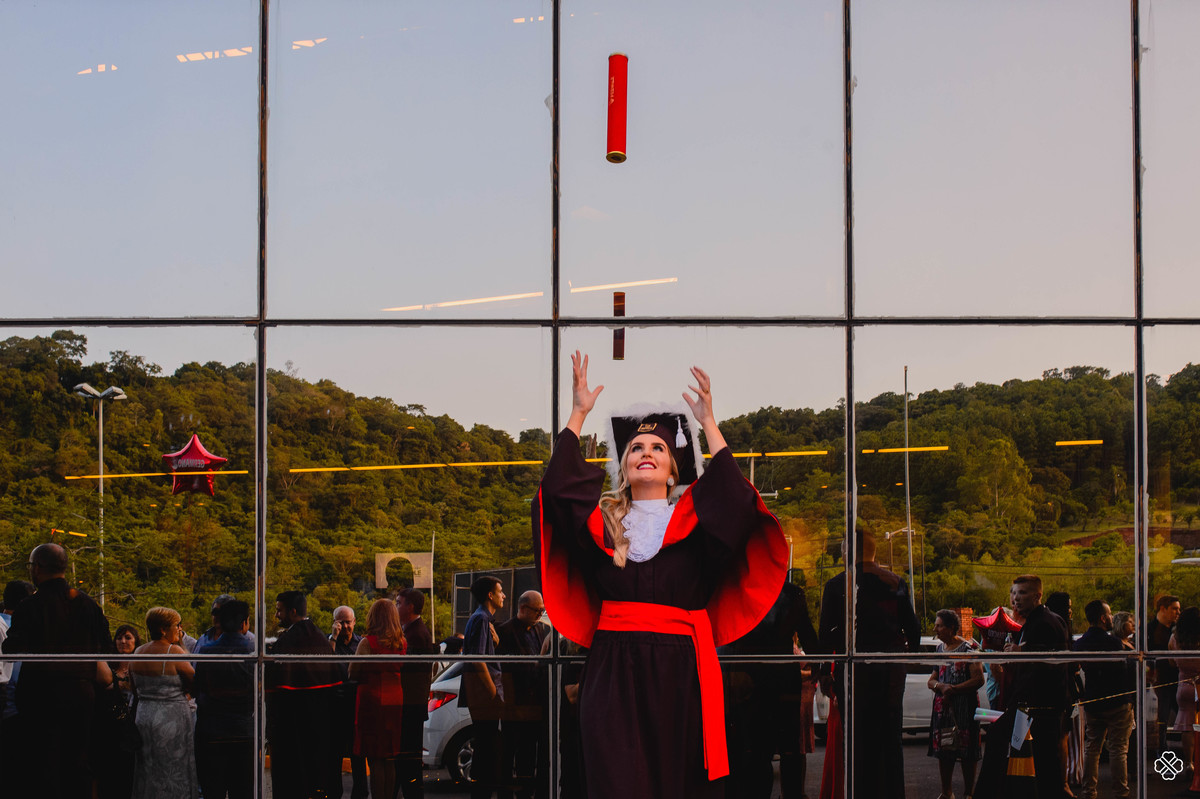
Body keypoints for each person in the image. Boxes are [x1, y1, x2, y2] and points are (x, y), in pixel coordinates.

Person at [533, 353, 788, 798]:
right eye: (635, 448)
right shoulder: (604, 525)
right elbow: (556, 491)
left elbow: (736, 504)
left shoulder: (697, 524)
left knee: (677, 781)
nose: (645, 453)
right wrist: (578, 413)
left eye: (658, 449)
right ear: (625, 468)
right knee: (615, 780)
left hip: (681, 671)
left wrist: (708, 422)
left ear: (674, 470)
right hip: (612, 671)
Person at [2, 543, 113, 799]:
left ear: (37, 568)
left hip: (41, 694)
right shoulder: (87, 604)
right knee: (78, 760)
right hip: (81, 693)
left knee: (43, 763)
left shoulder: (31, 606)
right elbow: (108, 647)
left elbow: (12, 648)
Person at [818, 530, 920, 799]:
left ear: (845, 553)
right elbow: (914, 631)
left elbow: (824, 636)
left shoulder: (838, 585)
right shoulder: (895, 582)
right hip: (889, 675)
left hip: (854, 675)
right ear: (874, 553)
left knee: (855, 744)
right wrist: (901, 657)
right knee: (889, 743)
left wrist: (824, 673)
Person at [266, 590, 344, 799]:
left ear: (292, 612)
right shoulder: (319, 638)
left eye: (279, 611)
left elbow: (275, 687)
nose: (276, 616)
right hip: (321, 725)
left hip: (292, 727)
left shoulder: (287, 642)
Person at [1002, 574, 1073, 799]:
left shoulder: (1044, 622)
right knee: (1034, 766)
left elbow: (1055, 658)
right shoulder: (1036, 620)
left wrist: (1022, 652)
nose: (1016, 599)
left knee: (1042, 767)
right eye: (1013, 593)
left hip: (1041, 708)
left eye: (1022, 593)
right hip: (1037, 707)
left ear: (1037, 595)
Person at [131, 606, 199, 799]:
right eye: (176, 625)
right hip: (171, 720)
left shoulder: (137, 652)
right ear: (163, 629)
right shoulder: (173, 651)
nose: (179, 629)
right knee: (174, 766)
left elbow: (134, 689)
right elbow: (194, 682)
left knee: (148, 767)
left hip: (144, 716)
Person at [194, 599, 254, 799]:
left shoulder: (206, 651)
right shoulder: (253, 652)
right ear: (245, 623)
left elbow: (197, 688)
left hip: (210, 731)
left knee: (212, 791)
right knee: (243, 791)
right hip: (244, 731)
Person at [1074, 600, 1134, 799]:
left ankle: (1089, 792)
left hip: (1093, 702)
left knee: (1092, 748)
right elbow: (1124, 672)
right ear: (1102, 618)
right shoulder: (1114, 643)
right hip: (1118, 701)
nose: (1111, 618)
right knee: (1118, 749)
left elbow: (1075, 670)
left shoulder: (1080, 643)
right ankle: (1121, 793)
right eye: (1109, 614)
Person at [350, 598, 408, 799]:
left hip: (372, 701)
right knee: (390, 757)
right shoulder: (401, 642)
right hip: (395, 700)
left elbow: (352, 672)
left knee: (374, 758)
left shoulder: (368, 643)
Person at [496, 590, 550, 799]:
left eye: (542, 611)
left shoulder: (540, 630)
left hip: (533, 704)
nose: (540, 615)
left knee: (529, 754)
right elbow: (504, 669)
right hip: (514, 703)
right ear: (523, 608)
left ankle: (527, 793)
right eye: (538, 611)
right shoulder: (505, 631)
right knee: (509, 753)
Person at [926, 609, 984, 799]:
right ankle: (947, 792)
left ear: (951, 628)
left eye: (939, 625)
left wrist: (955, 689)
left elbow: (978, 680)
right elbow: (932, 679)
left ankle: (969, 793)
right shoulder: (939, 650)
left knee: (967, 751)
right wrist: (940, 686)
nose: (936, 628)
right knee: (945, 749)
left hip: (965, 708)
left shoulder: (968, 650)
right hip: (943, 709)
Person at [461, 575, 507, 799]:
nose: (503, 595)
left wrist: (495, 644)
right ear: (490, 595)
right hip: (484, 697)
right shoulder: (481, 619)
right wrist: (492, 692)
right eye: (500, 591)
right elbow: (477, 659)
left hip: (482, 697)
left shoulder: (482, 619)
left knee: (486, 747)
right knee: (486, 750)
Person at [396, 587, 435, 799]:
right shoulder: (413, 631)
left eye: (399, 603)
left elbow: (408, 670)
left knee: (408, 761)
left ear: (410, 606)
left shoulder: (416, 634)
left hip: (410, 705)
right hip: (412, 704)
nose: (396, 607)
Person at [95, 623, 142, 799]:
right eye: (119, 638)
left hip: (136, 722)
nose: (123, 641)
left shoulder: (141, 664)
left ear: (136, 640)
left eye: (128, 637)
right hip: (110, 724)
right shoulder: (108, 665)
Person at [330, 605, 368, 799]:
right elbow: (325, 664)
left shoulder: (361, 644)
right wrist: (333, 638)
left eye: (348, 622)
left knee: (358, 755)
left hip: (356, 705)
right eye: (341, 622)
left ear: (354, 622)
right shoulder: (330, 643)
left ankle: (360, 794)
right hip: (335, 705)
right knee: (334, 755)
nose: (345, 626)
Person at [1149, 594, 1182, 752]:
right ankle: (1160, 750)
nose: (1178, 613)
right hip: (1160, 682)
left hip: (1178, 680)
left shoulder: (1178, 630)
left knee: (1185, 716)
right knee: (1161, 719)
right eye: (1174, 609)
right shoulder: (1149, 630)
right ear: (1163, 609)